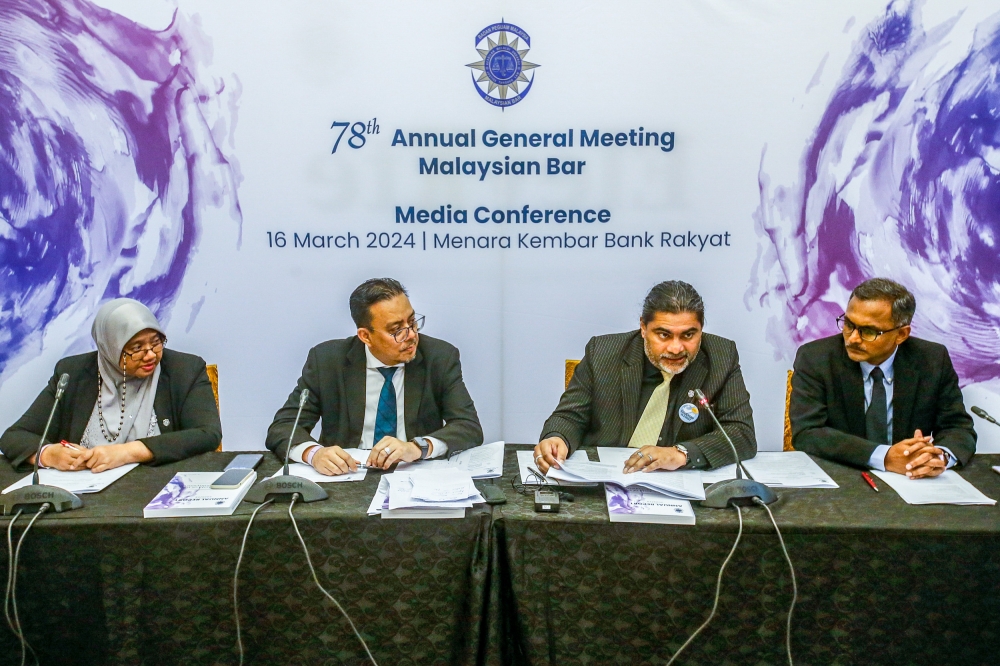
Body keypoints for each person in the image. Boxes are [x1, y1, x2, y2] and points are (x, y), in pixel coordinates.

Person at [534, 280, 757, 474]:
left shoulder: (721, 356)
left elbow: (741, 433)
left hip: (679, 486)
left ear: (701, 329)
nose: (677, 348)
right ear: (643, 327)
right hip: (607, 481)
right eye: (663, 334)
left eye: (688, 335)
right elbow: (570, 417)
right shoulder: (602, 353)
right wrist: (557, 438)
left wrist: (681, 454)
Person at [265, 278, 483, 475]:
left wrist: (417, 447)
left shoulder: (439, 357)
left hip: (414, 473)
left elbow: (468, 426)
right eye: (396, 330)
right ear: (365, 336)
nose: (411, 335)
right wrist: (314, 454)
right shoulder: (327, 361)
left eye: (412, 321)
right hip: (347, 476)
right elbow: (283, 427)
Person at [0, 299, 222, 471]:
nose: (150, 355)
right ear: (110, 348)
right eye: (136, 347)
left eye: (156, 342)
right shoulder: (74, 374)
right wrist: (48, 454)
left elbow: (207, 434)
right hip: (85, 500)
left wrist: (130, 451)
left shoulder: (184, 369)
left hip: (159, 492)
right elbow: (15, 437)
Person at [790, 278, 976, 478]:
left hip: (912, 480)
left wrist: (937, 458)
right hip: (843, 477)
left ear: (901, 334)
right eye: (849, 324)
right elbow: (808, 433)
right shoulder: (816, 358)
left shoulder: (932, 359)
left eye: (868, 331)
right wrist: (885, 457)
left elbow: (957, 427)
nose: (853, 338)